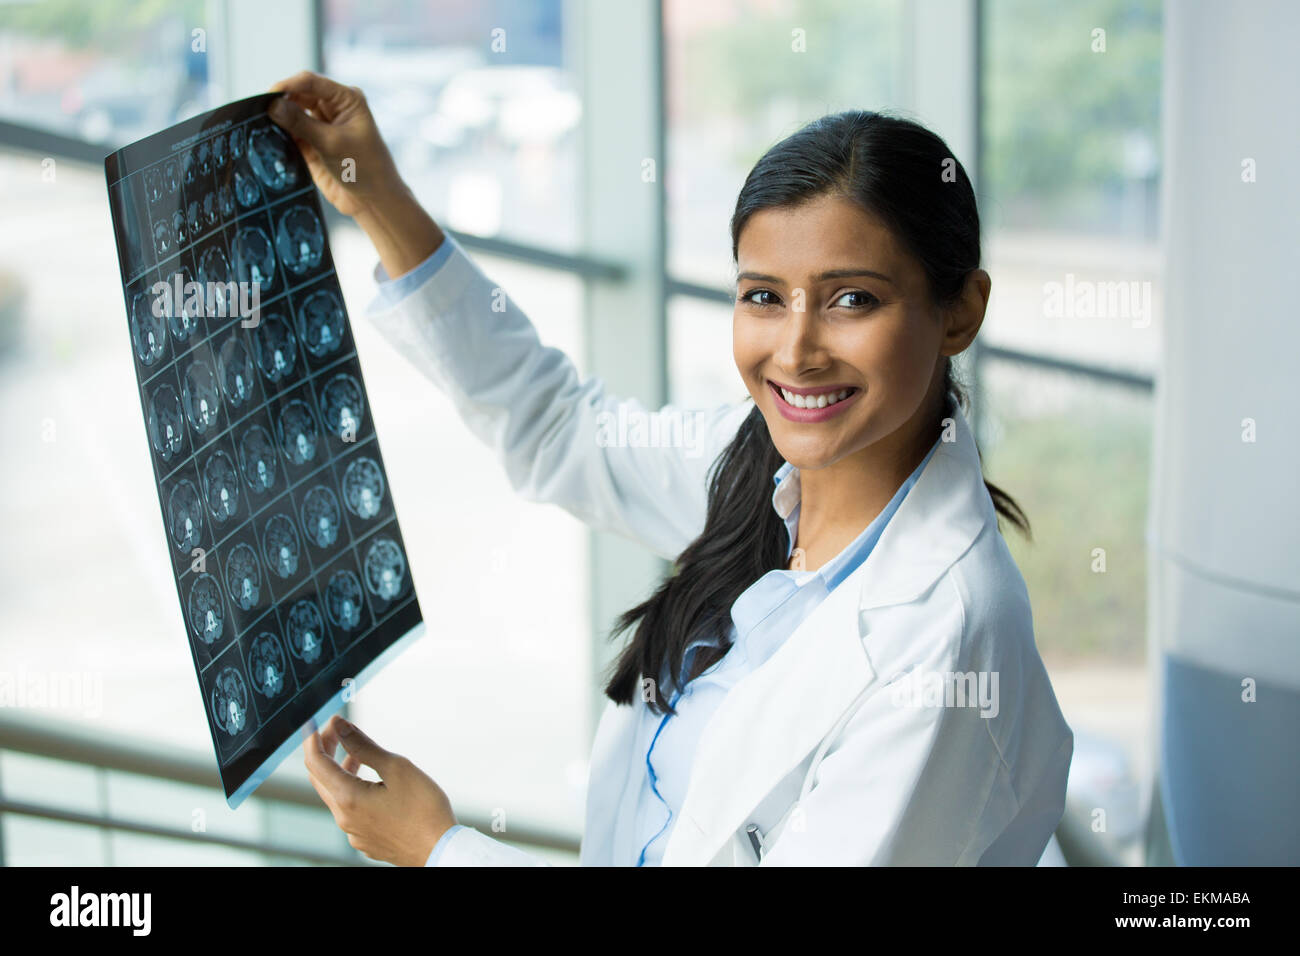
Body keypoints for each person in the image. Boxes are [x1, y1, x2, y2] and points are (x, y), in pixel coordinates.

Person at [272, 70, 1074, 867]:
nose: (795, 351)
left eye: (852, 300)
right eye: (763, 296)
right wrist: (373, 195)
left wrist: (438, 850)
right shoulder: (754, 463)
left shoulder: (948, 642)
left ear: (961, 311)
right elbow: (560, 429)